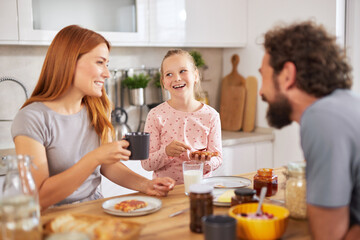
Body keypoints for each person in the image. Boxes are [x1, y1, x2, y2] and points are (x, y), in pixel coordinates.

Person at [11, 25, 175, 210]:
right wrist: (94, 157)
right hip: (53, 218)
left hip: (96, 209)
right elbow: (37, 199)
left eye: (107, 64)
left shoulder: (98, 108)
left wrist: (145, 185)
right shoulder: (32, 118)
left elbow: (108, 165)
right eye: (99, 62)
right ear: (69, 61)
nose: (106, 73)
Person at [259, 21, 360, 239]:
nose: (260, 91)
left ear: (287, 75)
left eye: (263, 76)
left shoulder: (321, 118)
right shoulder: (348, 103)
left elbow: (328, 236)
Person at [141, 49, 222, 184]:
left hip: (201, 190)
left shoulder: (211, 115)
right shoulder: (155, 115)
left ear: (196, 75)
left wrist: (203, 161)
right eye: (169, 74)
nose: (177, 78)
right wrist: (166, 152)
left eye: (183, 71)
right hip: (166, 192)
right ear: (164, 82)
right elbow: (146, 164)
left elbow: (217, 159)